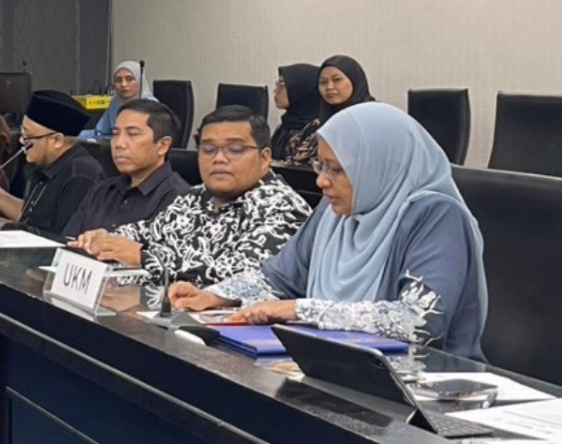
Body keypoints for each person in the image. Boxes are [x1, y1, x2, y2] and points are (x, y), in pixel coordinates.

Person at [170, 104, 487, 359]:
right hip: (335, 364)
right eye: (320, 166)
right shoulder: (336, 209)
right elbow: (277, 278)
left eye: (337, 169)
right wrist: (216, 295)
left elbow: (418, 321)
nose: (321, 181)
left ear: (381, 167)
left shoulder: (436, 215)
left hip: (430, 384)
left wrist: (301, 310)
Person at [74, 107, 310, 289]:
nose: (219, 159)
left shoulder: (284, 208)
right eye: (208, 150)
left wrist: (144, 257)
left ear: (265, 158)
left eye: (235, 150)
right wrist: (106, 239)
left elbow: (242, 276)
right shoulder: (196, 196)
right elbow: (147, 231)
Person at [0, 89, 102, 237]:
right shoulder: (43, 163)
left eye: (29, 136)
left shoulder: (81, 175)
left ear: (57, 140)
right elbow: (29, 217)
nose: (22, 141)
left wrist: (6, 226)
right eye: (22, 134)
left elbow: (65, 239)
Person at [62, 99, 188, 239]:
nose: (119, 144)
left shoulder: (181, 201)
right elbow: (68, 242)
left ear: (163, 145)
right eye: (115, 134)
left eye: (132, 134)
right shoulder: (101, 191)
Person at [88, 60, 156, 141]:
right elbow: (100, 132)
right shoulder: (116, 101)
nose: (123, 84)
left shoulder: (151, 105)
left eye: (129, 79)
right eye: (118, 80)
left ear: (139, 81)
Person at [271, 63, 323, 165]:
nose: (275, 90)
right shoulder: (287, 123)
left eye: (281, 85)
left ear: (301, 89)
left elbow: (297, 168)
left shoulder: (316, 130)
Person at [317, 55, 373, 119]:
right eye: (323, 82)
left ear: (354, 81)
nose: (329, 87)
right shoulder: (317, 119)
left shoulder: (374, 114)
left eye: (337, 79)